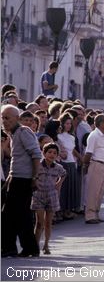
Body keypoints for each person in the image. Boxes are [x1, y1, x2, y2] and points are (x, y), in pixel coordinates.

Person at [1, 104, 42, 258]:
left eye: (7, 118)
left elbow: (36, 155)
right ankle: (30, 248)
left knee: (8, 215)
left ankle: (9, 248)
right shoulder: (14, 134)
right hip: (16, 177)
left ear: (17, 118)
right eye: (3, 118)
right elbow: (17, 158)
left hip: (23, 179)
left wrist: (35, 177)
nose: (4, 121)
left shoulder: (24, 132)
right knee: (21, 215)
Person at [31, 143, 66, 255]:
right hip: (38, 195)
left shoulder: (58, 167)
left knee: (48, 222)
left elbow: (64, 174)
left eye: (55, 153)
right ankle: (35, 246)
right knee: (39, 222)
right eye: (49, 152)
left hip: (52, 195)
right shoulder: (38, 166)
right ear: (44, 153)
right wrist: (35, 182)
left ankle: (46, 245)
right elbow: (33, 175)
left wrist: (59, 183)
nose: (52, 155)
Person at [82, 114, 104, 224]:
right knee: (93, 191)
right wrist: (86, 165)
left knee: (99, 192)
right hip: (96, 164)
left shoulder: (103, 136)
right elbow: (89, 152)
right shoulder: (94, 135)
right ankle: (90, 215)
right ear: (101, 123)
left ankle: (96, 213)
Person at [57, 113, 81, 220]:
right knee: (64, 189)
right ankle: (61, 211)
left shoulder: (72, 137)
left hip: (72, 163)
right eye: (66, 123)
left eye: (70, 123)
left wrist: (80, 158)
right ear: (62, 124)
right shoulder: (58, 137)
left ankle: (68, 210)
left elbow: (73, 151)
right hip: (64, 164)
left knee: (72, 188)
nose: (69, 125)